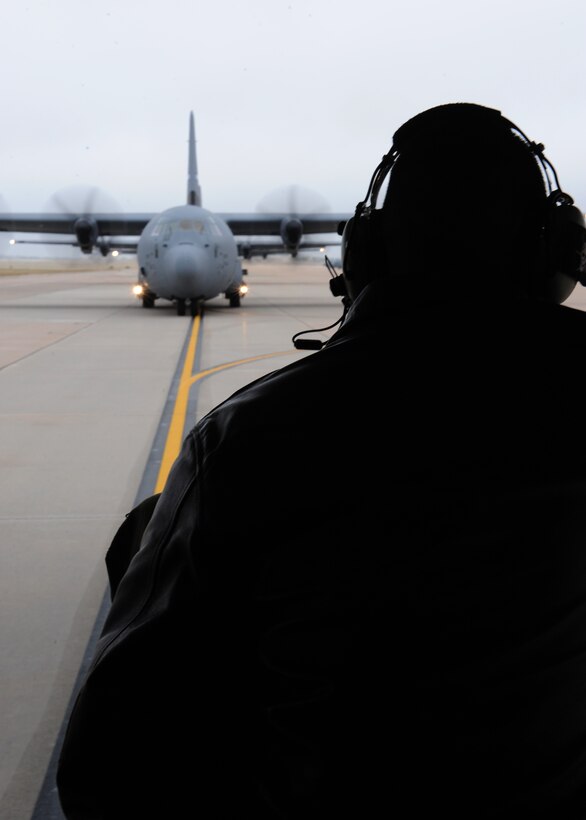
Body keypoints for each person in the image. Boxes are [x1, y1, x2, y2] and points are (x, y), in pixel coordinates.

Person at [56, 103, 586, 819]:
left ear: (363, 255)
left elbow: (106, 763)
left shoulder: (252, 437)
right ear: (559, 253)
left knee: (154, 528)